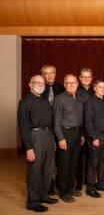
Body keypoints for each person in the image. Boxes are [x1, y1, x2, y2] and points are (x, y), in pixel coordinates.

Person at [18, 75, 58, 213]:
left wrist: (53, 140)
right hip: (34, 137)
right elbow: (23, 126)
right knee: (35, 171)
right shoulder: (25, 102)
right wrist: (28, 148)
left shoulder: (45, 101)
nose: (41, 85)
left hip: (48, 136)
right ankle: (33, 202)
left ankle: (44, 195)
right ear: (30, 84)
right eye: (37, 82)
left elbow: (51, 123)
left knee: (47, 169)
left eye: (43, 83)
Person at [53, 74, 85, 203]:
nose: (71, 85)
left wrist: (82, 134)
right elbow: (56, 121)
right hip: (65, 133)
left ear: (77, 84)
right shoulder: (59, 99)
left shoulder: (79, 98)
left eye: (74, 83)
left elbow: (81, 118)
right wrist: (60, 138)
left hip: (77, 134)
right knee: (64, 164)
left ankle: (70, 188)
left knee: (73, 163)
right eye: (68, 83)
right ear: (65, 85)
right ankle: (63, 191)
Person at [85, 80, 104, 198]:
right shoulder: (90, 102)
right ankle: (90, 187)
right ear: (95, 88)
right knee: (93, 162)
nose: (102, 89)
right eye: (100, 87)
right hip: (96, 136)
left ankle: (100, 183)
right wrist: (93, 137)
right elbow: (88, 121)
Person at [40, 64, 64, 195]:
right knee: (46, 160)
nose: (50, 76)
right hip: (46, 129)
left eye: (52, 73)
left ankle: (60, 182)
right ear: (43, 75)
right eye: (47, 73)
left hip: (60, 128)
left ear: (55, 74)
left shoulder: (61, 87)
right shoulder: (39, 88)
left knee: (61, 158)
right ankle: (48, 184)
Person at [75, 67, 94, 194]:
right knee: (78, 158)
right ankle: (78, 184)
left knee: (91, 157)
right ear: (80, 78)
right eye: (84, 76)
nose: (86, 79)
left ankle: (89, 180)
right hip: (80, 131)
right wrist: (81, 133)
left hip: (92, 131)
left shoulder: (96, 91)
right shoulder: (75, 92)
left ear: (91, 79)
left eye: (88, 77)